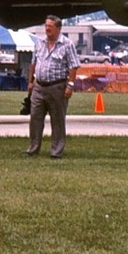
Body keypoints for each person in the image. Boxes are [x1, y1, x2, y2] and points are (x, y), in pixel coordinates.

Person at [26, 15, 80, 159]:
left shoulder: (67, 44)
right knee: (35, 118)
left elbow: (73, 66)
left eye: (50, 26)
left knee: (57, 120)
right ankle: (33, 149)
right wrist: (31, 82)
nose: (47, 29)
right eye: (46, 26)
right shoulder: (39, 43)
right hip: (39, 86)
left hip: (57, 87)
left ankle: (56, 151)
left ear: (58, 28)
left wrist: (70, 85)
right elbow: (33, 63)